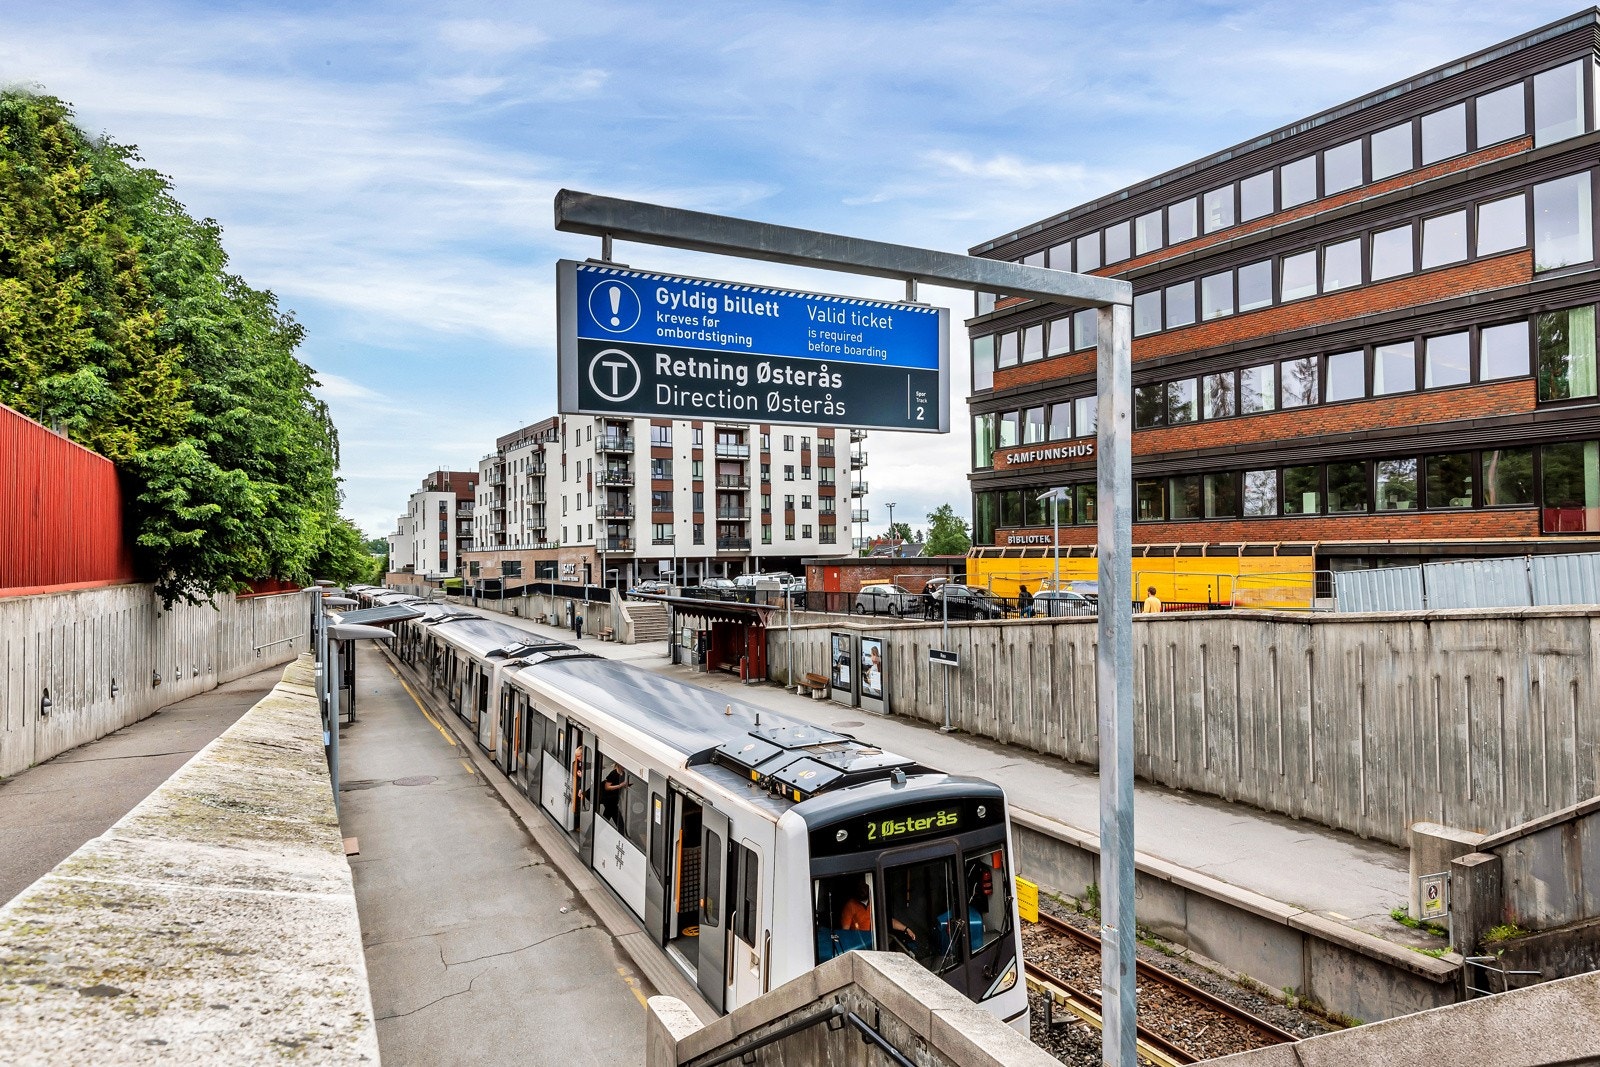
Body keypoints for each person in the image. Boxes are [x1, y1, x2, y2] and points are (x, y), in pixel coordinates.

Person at [598, 761, 627, 828]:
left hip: (614, 800)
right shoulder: (613, 773)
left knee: (606, 819)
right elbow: (607, 787)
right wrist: (620, 785)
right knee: (617, 821)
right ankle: (590, 835)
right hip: (609, 800)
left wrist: (625, 785)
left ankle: (590, 835)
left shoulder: (623, 773)